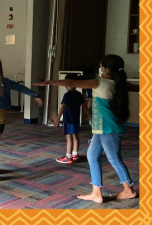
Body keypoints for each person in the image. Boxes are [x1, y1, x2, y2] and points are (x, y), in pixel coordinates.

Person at [34, 54, 137, 204]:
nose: (100, 69)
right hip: (101, 129)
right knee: (92, 155)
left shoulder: (100, 83)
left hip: (108, 129)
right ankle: (96, 192)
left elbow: (72, 82)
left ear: (105, 69)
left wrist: (50, 82)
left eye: (101, 67)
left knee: (114, 159)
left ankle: (129, 190)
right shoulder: (119, 83)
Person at [54, 74, 92, 164]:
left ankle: (68, 156)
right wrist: (89, 115)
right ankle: (75, 154)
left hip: (68, 120)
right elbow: (85, 107)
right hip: (76, 120)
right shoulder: (78, 94)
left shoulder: (67, 95)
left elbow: (62, 107)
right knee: (75, 136)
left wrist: (57, 118)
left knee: (69, 137)